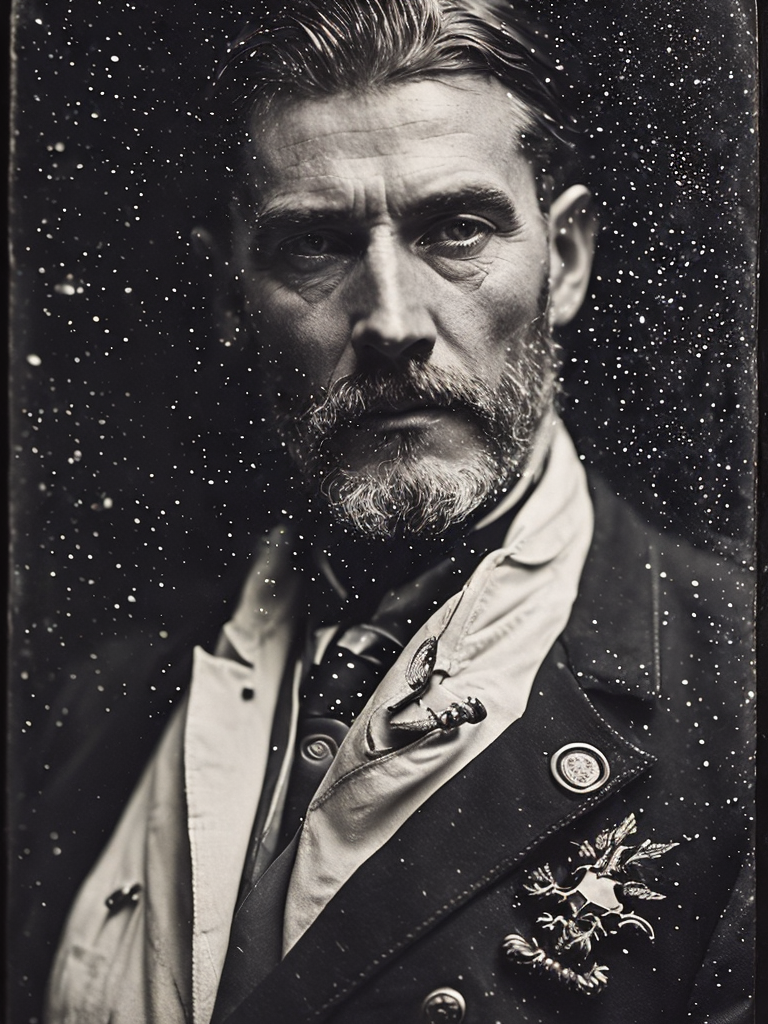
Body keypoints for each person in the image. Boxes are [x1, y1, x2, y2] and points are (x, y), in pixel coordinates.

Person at [45, 2, 754, 1022]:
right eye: (316, 247)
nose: (392, 321)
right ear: (228, 296)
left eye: (455, 230)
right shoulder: (101, 707)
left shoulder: (736, 704)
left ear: (565, 260)